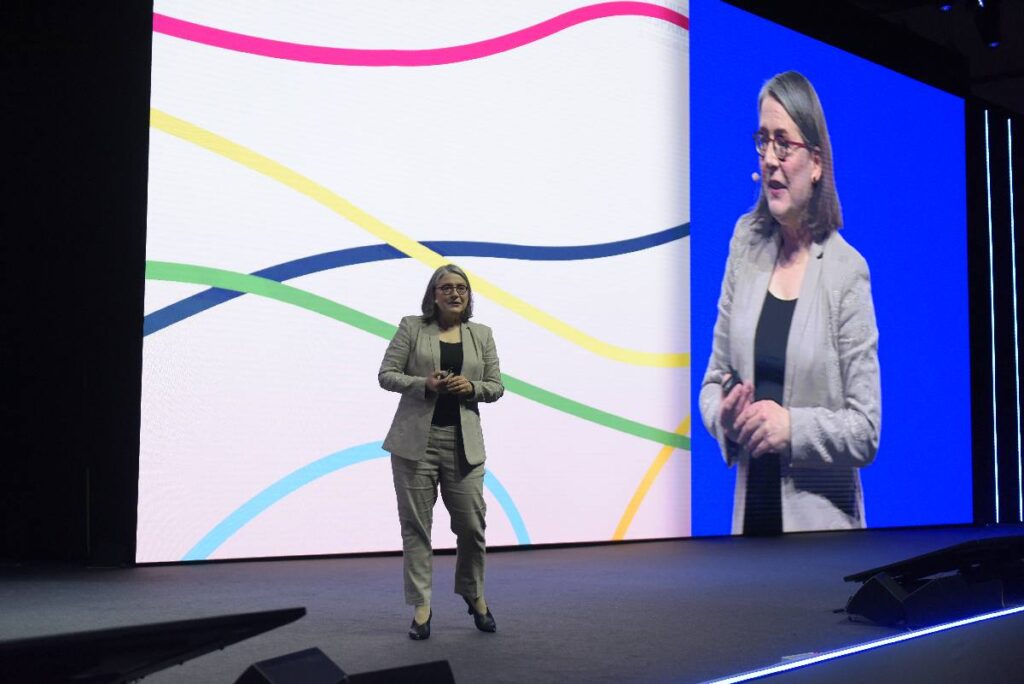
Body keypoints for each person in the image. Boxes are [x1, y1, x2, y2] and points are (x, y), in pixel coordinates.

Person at [699, 71, 881, 535]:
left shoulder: (846, 271)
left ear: (816, 162)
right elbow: (711, 382)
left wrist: (792, 429)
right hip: (749, 530)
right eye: (763, 141)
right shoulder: (745, 244)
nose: (771, 160)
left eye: (785, 143)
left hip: (822, 543)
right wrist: (724, 416)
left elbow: (865, 429)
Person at [378, 264, 504, 639]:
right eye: (446, 287)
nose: (454, 293)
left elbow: (496, 385)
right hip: (416, 444)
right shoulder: (412, 327)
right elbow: (387, 374)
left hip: (463, 443)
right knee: (416, 528)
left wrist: (473, 387)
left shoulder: (481, 335)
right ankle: (422, 608)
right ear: (433, 295)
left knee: (471, 526)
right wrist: (425, 383)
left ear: (468, 295)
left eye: (461, 288)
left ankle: (472, 592)